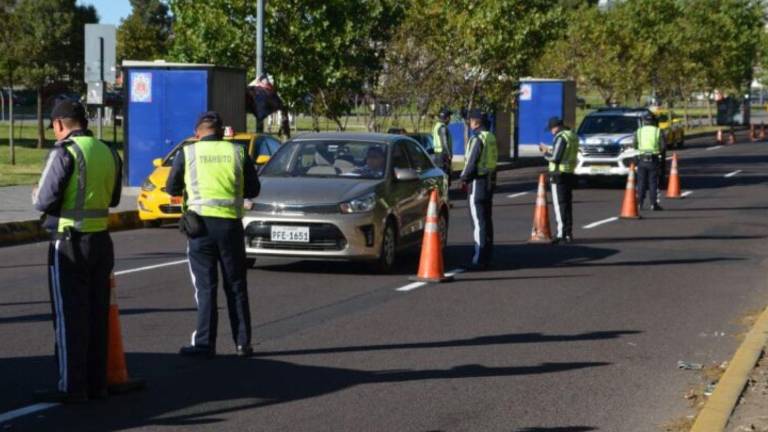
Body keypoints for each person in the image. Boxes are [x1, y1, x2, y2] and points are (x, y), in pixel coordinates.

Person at [32, 99, 122, 403]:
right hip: (101, 242)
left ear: (59, 124)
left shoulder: (64, 151)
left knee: (70, 317)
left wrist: (35, 193)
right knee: (97, 315)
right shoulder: (109, 151)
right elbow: (114, 198)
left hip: (69, 242)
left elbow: (43, 200)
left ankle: (72, 387)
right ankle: (97, 384)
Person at [166, 111, 261, 358]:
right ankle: (243, 343)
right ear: (222, 132)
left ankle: (205, 344)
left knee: (206, 287)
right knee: (236, 285)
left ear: (197, 133)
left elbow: (171, 187)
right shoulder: (238, 152)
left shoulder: (188, 153)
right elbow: (254, 189)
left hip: (200, 228)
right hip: (230, 226)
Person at [460, 109, 497, 269]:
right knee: (486, 221)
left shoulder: (477, 139)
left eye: (470, 120)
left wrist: (463, 178)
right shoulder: (490, 137)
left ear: (475, 122)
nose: (469, 123)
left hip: (477, 183)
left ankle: (479, 258)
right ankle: (486, 255)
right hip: (489, 182)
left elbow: (471, 163)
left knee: (478, 222)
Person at [539, 117, 579, 244]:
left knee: (559, 204)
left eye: (551, 129)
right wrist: (551, 149)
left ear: (555, 127)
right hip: (569, 172)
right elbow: (565, 152)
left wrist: (545, 153)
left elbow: (556, 158)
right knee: (567, 204)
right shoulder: (572, 135)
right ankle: (568, 233)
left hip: (558, 174)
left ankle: (561, 233)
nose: (551, 132)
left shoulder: (560, 137)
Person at [634, 115, 665, 211]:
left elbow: (634, 144)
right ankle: (653, 204)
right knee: (653, 182)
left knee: (641, 182)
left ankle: (640, 203)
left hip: (641, 159)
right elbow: (663, 146)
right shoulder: (658, 131)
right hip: (653, 159)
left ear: (644, 122)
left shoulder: (638, 131)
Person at [432, 109, 453, 175]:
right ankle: (445, 185)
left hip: (438, 154)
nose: (450, 120)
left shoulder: (436, 126)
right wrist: (449, 154)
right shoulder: (443, 127)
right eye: (449, 117)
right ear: (446, 118)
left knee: (441, 175)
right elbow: (444, 143)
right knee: (445, 176)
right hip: (443, 156)